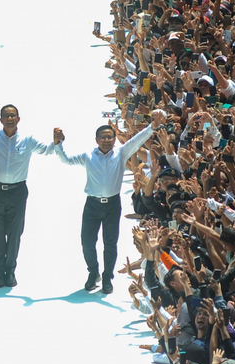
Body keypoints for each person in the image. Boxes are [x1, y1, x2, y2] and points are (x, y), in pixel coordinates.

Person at [53, 109, 166, 294]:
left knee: (110, 243)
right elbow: (66, 160)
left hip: (112, 205)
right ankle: (93, 273)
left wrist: (152, 127)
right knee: (87, 242)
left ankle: (107, 278)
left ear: (114, 139)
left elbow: (136, 140)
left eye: (110, 137)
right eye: (103, 137)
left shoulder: (121, 153)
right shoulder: (88, 156)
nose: (107, 140)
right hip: (92, 205)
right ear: (96, 140)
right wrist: (58, 144)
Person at [0, 97, 56, 288]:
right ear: (1, 120)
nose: (10, 118)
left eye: (13, 115)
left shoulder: (27, 141)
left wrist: (55, 142)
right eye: (6, 116)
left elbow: (47, 150)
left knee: (15, 234)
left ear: (18, 119)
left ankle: (10, 271)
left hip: (18, 192)